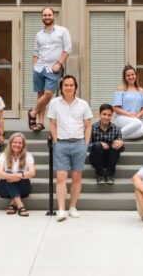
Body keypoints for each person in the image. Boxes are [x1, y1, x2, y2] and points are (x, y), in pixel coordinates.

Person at [47, 75, 92, 221]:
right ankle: (61, 210)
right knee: (61, 178)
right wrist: (55, 141)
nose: (68, 87)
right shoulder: (54, 103)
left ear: (75, 87)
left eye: (71, 85)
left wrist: (85, 144)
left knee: (77, 177)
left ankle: (72, 206)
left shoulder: (83, 104)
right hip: (61, 144)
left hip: (79, 143)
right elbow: (52, 123)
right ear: (61, 87)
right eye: (66, 85)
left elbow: (88, 125)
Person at [29, 6, 72, 132]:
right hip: (39, 68)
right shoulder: (38, 34)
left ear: (54, 16)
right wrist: (35, 65)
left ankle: (32, 113)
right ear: (42, 17)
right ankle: (40, 123)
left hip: (53, 68)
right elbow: (36, 52)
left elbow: (68, 48)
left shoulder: (62, 31)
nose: (47, 17)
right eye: (45, 15)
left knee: (49, 93)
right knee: (40, 94)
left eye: (49, 15)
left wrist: (59, 63)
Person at [0, 132, 35, 217]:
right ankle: (20, 205)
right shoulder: (3, 155)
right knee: (8, 173)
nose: (17, 144)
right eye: (15, 142)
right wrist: (11, 176)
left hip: (24, 189)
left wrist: (19, 175)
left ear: (23, 145)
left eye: (20, 143)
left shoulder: (28, 156)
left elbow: (32, 173)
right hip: (4, 189)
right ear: (10, 143)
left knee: (19, 174)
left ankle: (13, 204)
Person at [89, 104, 124, 184]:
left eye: (109, 115)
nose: (106, 117)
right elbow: (87, 146)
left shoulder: (116, 129)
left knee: (116, 145)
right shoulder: (92, 128)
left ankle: (109, 175)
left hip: (110, 159)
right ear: (99, 114)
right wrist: (99, 143)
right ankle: (100, 175)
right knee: (97, 145)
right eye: (104, 114)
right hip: (96, 158)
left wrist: (121, 143)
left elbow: (121, 149)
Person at [112, 65, 143, 140]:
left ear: (135, 75)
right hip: (122, 118)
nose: (131, 77)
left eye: (132, 74)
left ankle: (117, 138)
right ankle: (116, 136)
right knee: (138, 123)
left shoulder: (141, 90)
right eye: (128, 75)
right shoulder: (121, 89)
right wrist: (129, 114)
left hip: (136, 118)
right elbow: (115, 108)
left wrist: (138, 115)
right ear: (125, 77)